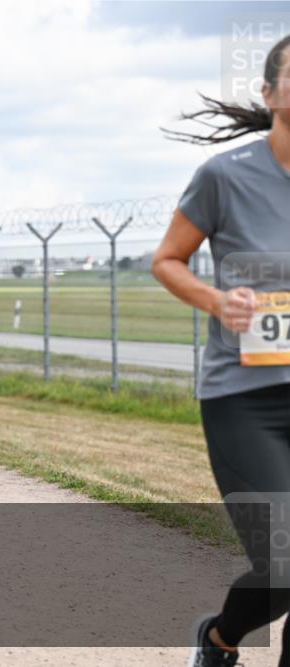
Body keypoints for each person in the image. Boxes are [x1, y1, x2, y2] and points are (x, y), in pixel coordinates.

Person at [153, 33, 290, 667]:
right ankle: (219, 638)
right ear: (269, 94)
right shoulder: (225, 175)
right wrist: (216, 301)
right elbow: (167, 260)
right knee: (285, 563)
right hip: (245, 397)